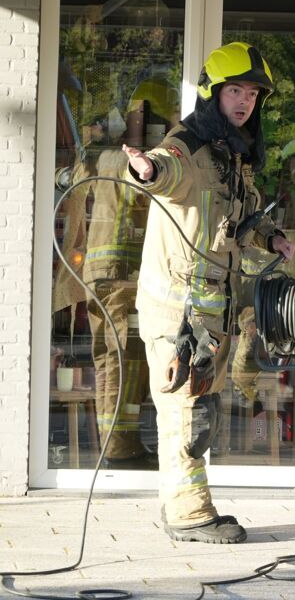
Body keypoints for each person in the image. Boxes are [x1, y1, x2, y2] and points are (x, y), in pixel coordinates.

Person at [123, 42, 295, 544]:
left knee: (201, 408)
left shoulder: (233, 156)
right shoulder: (190, 145)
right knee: (185, 410)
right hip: (177, 312)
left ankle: (183, 505)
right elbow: (165, 169)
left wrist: (271, 238)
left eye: (253, 94)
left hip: (209, 314)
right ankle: (189, 515)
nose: (245, 101)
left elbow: (239, 219)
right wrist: (147, 169)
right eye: (235, 91)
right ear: (212, 94)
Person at [83, 74, 181, 469]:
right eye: (164, 125)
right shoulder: (127, 160)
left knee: (127, 359)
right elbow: (142, 189)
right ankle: (118, 450)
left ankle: (124, 444)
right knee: (120, 358)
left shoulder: (106, 155)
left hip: (116, 275)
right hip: (118, 274)